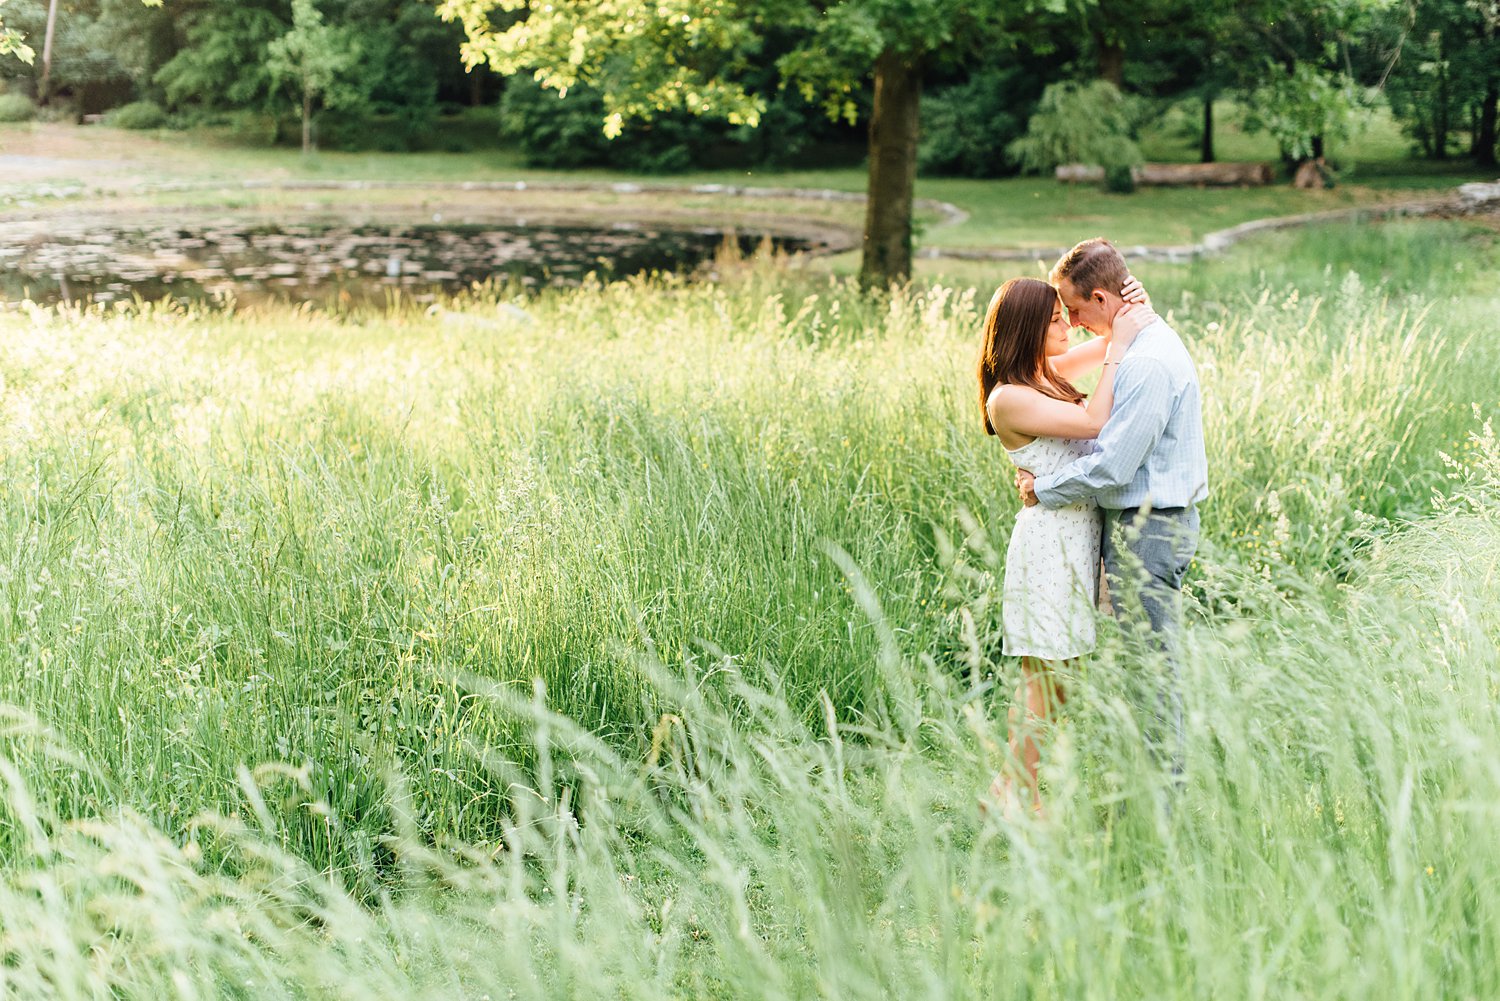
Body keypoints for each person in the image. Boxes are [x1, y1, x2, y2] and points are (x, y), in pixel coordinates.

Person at [1017, 237, 1208, 785]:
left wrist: (1043, 487)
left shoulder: (1146, 361)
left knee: (1152, 676)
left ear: (1102, 299)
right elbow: (1056, 360)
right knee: (1143, 671)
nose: (1072, 323)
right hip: (1143, 528)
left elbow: (1112, 468)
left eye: (1075, 310)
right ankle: (1141, 804)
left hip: (1150, 532)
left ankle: (1153, 815)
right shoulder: (1141, 341)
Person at [978, 274, 1157, 817]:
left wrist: (1133, 308)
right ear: (1029, 327)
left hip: (1076, 543)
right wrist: (1118, 348)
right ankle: (1015, 794)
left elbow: (1109, 341)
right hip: (1048, 548)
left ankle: (1012, 790)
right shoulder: (1009, 397)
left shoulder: (1044, 376)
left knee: (1060, 677)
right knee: (1045, 677)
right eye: (1056, 319)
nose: (1067, 325)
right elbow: (1093, 418)